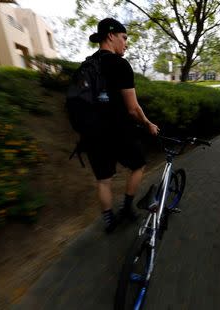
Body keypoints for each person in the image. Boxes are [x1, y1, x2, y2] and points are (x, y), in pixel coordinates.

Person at [86, 18, 159, 233]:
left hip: (92, 133)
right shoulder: (120, 64)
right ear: (111, 36)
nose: (126, 43)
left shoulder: (88, 64)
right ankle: (127, 207)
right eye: (124, 38)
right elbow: (133, 108)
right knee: (138, 165)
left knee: (104, 180)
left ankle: (109, 221)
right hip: (117, 132)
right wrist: (148, 124)